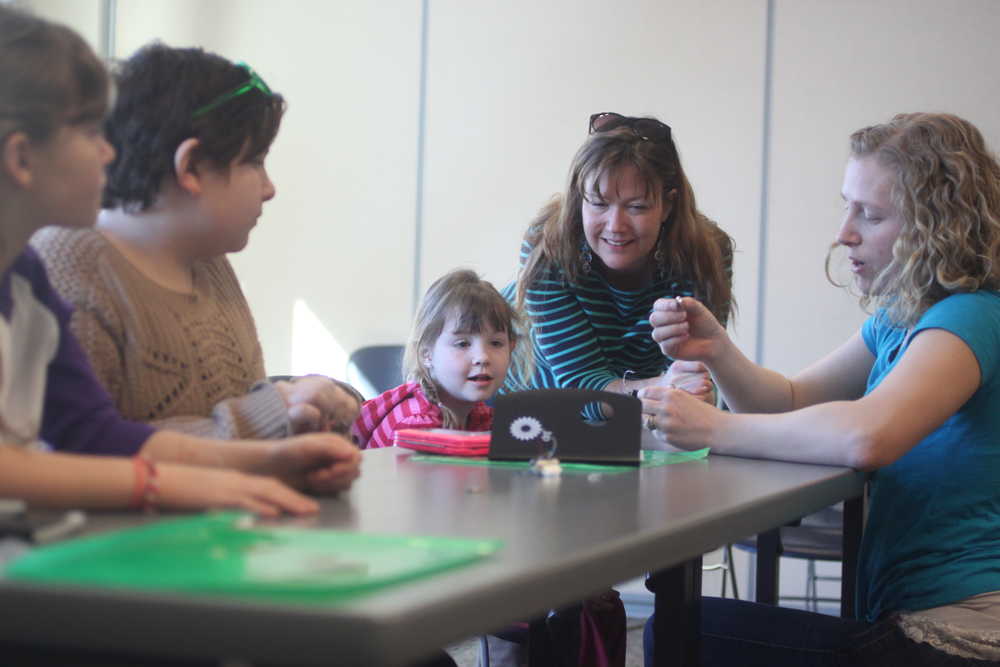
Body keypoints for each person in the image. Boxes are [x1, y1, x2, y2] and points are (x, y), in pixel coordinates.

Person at [643, 112, 1000, 665]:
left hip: (963, 637)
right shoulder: (901, 319)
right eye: (847, 205)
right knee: (687, 625)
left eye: (870, 214)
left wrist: (713, 428)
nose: (844, 232)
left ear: (937, 227)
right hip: (913, 618)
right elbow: (789, 400)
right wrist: (717, 349)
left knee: (683, 632)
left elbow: (866, 437)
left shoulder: (972, 317)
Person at [0, 6, 359, 515]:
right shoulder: (63, 262)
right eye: (87, 132)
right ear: (20, 158)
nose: (109, 153)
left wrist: (270, 459)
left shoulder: (23, 275)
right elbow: (54, 456)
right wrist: (164, 484)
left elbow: (95, 431)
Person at [504, 112, 735, 426]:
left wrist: (687, 390)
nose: (616, 226)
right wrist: (665, 389)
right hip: (526, 411)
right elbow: (581, 391)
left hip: (632, 414)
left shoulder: (704, 253)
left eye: (637, 207)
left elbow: (690, 381)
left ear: (668, 205)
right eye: (599, 203)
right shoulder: (547, 247)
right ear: (579, 199)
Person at [352, 268, 520, 449]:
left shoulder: (479, 415)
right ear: (427, 354)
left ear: (511, 347)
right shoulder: (415, 425)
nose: (482, 357)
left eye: (495, 343)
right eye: (462, 344)